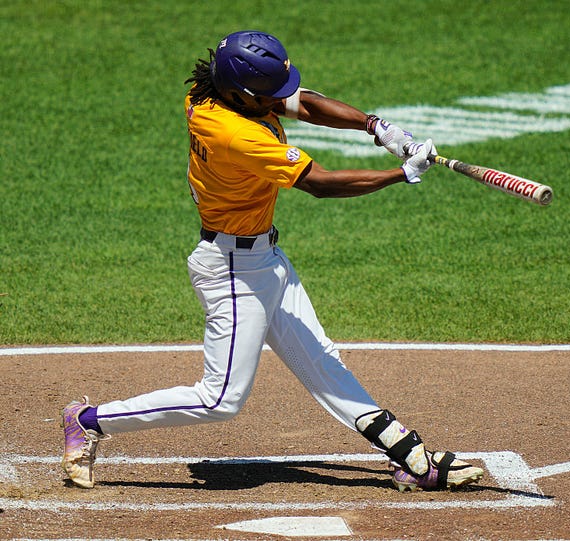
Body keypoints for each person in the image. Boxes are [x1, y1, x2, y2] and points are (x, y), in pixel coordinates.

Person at [61, 30, 483, 493]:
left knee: (323, 361)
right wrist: (400, 173)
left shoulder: (215, 97)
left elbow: (305, 103)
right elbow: (320, 182)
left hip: (264, 259)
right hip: (232, 273)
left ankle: (408, 456)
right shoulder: (234, 134)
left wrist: (376, 127)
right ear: (241, 93)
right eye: (269, 95)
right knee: (220, 399)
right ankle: (88, 421)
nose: (280, 100)